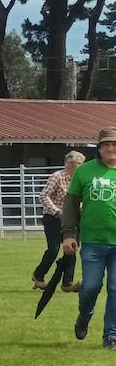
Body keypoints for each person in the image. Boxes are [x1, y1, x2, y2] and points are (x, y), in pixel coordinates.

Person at [62, 127, 116, 349]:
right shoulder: (84, 172)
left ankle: (111, 335)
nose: (111, 148)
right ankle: (84, 315)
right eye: (106, 145)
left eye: (114, 144)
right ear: (99, 148)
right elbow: (70, 206)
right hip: (93, 242)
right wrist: (68, 235)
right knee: (91, 287)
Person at [34, 151, 84, 293]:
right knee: (54, 249)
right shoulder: (57, 176)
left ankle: (67, 282)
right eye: (77, 164)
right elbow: (44, 195)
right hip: (53, 218)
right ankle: (38, 275)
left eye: (81, 164)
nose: (79, 167)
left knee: (71, 249)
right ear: (69, 164)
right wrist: (56, 210)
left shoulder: (81, 179)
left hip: (72, 219)